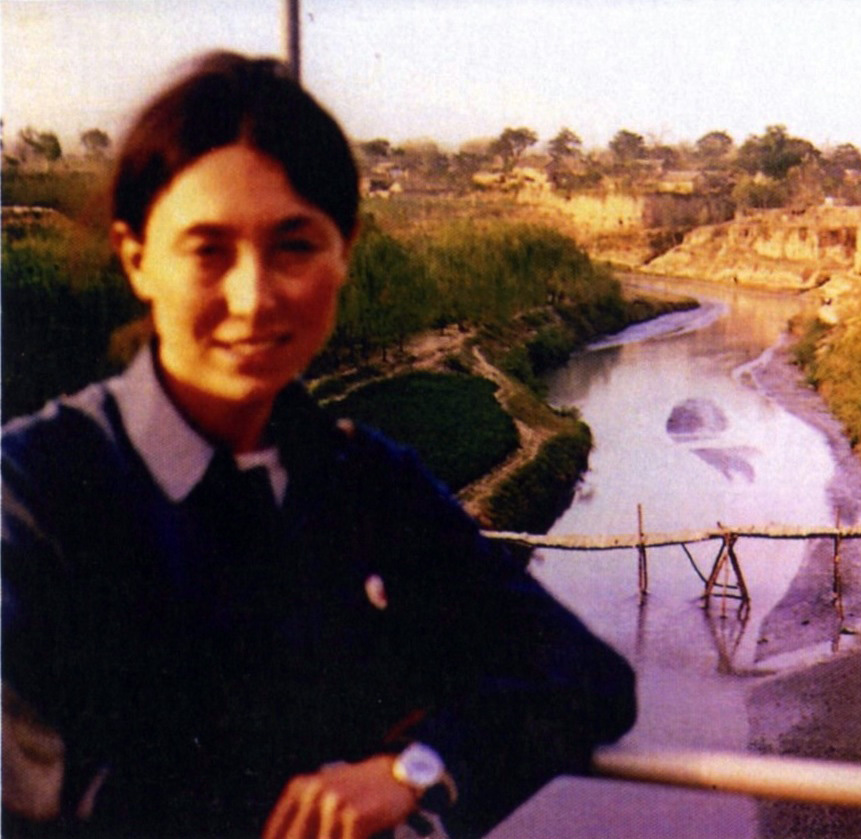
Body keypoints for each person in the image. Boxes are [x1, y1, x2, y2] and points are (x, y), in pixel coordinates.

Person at [1, 52, 636, 839]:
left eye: (294, 246)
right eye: (208, 250)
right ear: (137, 258)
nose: (253, 294)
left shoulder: (358, 477)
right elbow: (59, 791)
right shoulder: (34, 492)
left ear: (345, 251)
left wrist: (417, 767)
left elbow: (585, 675)